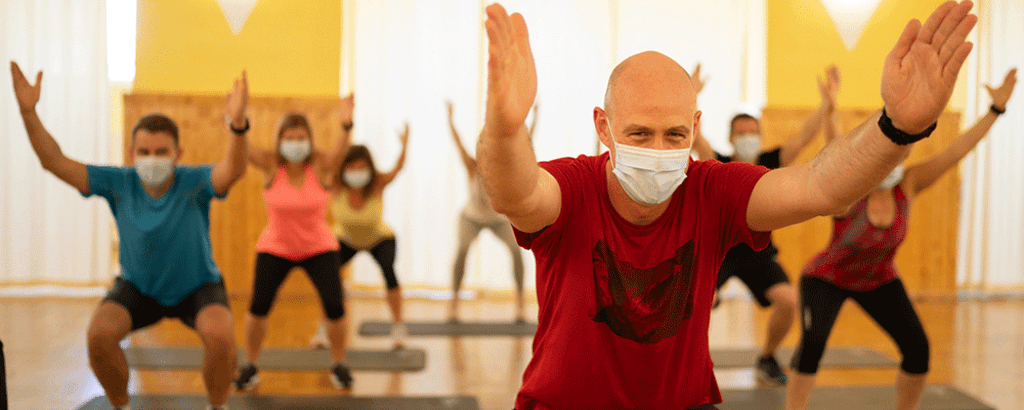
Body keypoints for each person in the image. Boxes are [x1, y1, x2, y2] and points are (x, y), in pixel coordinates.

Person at [478, 1, 977, 409]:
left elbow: (820, 187)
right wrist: (504, 129)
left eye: (675, 134)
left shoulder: (713, 188)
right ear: (603, 127)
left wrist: (898, 128)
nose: (657, 151)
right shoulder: (573, 186)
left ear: (694, 128)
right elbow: (516, 192)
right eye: (638, 134)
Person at [10, 62, 250, 410]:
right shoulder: (118, 182)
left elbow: (234, 169)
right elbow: (54, 161)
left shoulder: (194, 181)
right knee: (99, 337)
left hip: (197, 286)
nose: (152, 159)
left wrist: (238, 125)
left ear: (178, 154)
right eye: (145, 152)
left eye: (161, 152)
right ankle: (121, 405)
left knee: (221, 339)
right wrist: (28, 112)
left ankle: (217, 405)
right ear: (132, 154)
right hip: (139, 287)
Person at [785, 67, 1016, 410]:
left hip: (879, 280)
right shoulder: (853, 184)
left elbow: (955, 152)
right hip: (827, 279)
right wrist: (830, 106)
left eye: (902, 152)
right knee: (814, 342)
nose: (895, 159)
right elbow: (835, 144)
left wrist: (995, 112)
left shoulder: (909, 183)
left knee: (918, 348)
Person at [690, 64, 841, 385]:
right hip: (720, 252)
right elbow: (694, 137)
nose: (747, 137)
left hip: (758, 252)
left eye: (752, 132)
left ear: (760, 135)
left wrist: (827, 105)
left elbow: (804, 138)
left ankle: (767, 357)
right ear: (731, 137)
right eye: (741, 133)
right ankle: (690, 364)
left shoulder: (772, 161)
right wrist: (692, 97)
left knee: (789, 303)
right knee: (693, 304)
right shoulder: (718, 163)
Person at [233, 95, 356, 391]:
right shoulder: (270, 165)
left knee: (335, 308)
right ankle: (250, 365)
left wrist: (346, 123)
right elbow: (244, 148)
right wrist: (237, 124)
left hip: (320, 247)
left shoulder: (322, 166)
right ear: (279, 140)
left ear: (310, 140)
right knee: (258, 308)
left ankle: (339, 364)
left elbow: (340, 151)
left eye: (301, 138)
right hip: (276, 247)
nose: (295, 143)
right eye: (289, 138)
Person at [311, 123, 411, 349]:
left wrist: (404, 145)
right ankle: (323, 328)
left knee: (389, 271)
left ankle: (398, 328)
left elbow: (398, 167)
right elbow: (320, 165)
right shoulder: (336, 184)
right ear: (345, 168)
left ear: (370, 168)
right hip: (345, 239)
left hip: (379, 238)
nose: (358, 171)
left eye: (362, 166)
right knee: (327, 278)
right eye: (353, 167)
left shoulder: (377, 183)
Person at [447, 100, 535, 323]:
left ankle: (520, 302)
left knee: (516, 252)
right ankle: (454, 301)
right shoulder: (471, 165)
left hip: (499, 220)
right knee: (462, 250)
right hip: (471, 219)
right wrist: (450, 119)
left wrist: (534, 117)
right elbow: (457, 143)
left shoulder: (505, 166)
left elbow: (525, 144)